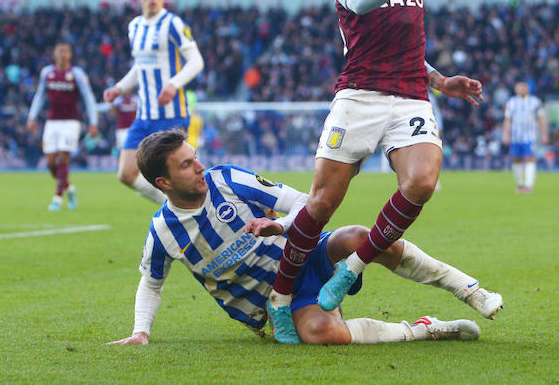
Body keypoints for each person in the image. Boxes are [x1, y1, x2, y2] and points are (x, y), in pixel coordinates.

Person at [266, 0, 494, 344]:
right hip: (360, 97)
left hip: (409, 96)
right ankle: (279, 297)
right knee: (321, 204)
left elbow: (405, 47)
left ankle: (349, 270)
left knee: (422, 182)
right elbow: (362, 4)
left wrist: (440, 81)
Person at [107, 129, 500, 346]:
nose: (200, 167)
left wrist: (278, 224)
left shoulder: (227, 179)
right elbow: (151, 283)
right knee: (322, 334)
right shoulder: (163, 232)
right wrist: (141, 331)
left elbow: (303, 202)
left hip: (301, 256)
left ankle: (465, 287)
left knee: (360, 237)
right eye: (187, 165)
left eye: (196, 157)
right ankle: (425, 328)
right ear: (163, 182)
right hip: (277, 306)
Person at [102, 0, 204, 204]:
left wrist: (173, 84)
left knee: (181, 178)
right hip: (144, 115)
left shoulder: (173, 24)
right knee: (126, 174)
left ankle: (191, 209)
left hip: (171, 115)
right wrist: (119, 88)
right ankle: (177, 207)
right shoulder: (135, 26)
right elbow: (141, 67)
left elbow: (197, 61)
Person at [26, 42, 99, 211]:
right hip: (52, 122)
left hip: (71, 122)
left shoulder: (77, 74)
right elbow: (40, 96)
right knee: (51, 163)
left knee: (63, 157)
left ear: (70, 55)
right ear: (54, 54)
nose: (63, 55)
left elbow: (88, 98)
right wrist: (32, 117)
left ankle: (57, 197)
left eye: (66, 52)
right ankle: (69, 188)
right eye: (60, 52)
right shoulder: (47, 73)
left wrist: (93, 122)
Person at [502, 81, 548, 193]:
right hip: (516, 136)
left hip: (530, 136)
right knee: (516, 159)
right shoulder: (511, 102)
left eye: (523, 87)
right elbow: (507, 120)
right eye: (519, 88)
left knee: (529, 158)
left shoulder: (535, 102)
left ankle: (528, 185)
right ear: (515, 89)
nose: (521, 89)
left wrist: (544, 134)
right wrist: (506, 134)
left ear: (527, 89)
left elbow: (541, 118)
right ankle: (520, 184)